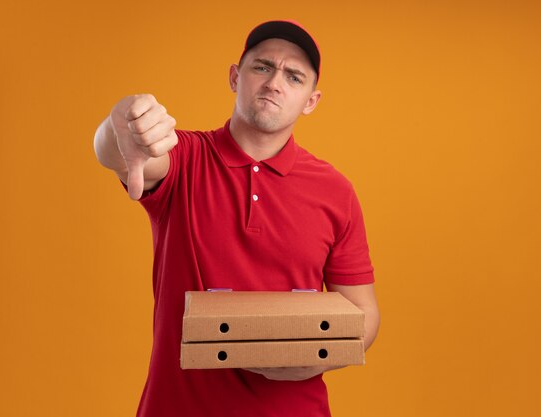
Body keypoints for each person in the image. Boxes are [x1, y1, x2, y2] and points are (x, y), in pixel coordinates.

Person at [94, 20, 380, 417]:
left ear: (310, 101)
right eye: (262, 67)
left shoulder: (336, 190)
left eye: (293, 76)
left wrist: (316, 360)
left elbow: (364, 313)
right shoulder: (184, 157)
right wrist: (118, 128)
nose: (275, 82)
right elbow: (123, 152)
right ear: (235, 77)